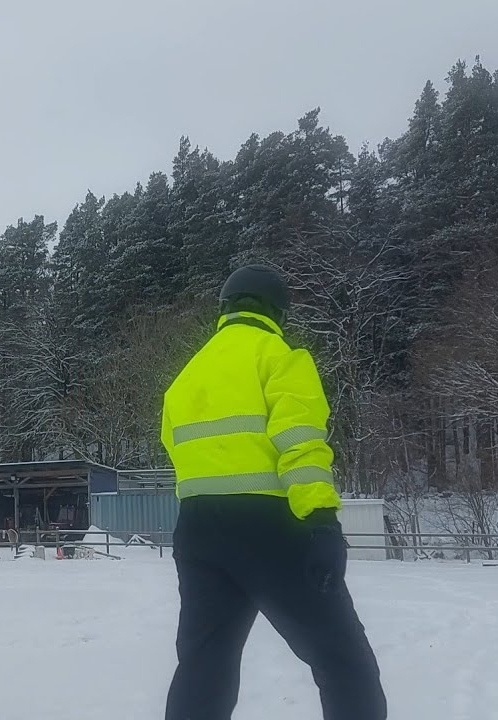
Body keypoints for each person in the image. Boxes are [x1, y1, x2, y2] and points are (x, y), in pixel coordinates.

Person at [160, 264, 386, 720]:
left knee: (205, 667)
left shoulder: (185, 378)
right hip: (273, 528)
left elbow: (177, 451)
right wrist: (322, 521)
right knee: (344, 663)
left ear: (225, 308)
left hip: (198, 531)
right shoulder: (282, 358)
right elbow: (301, 447)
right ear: (277, 312)